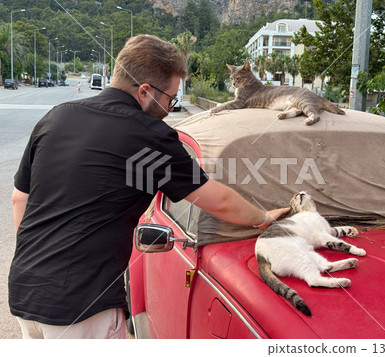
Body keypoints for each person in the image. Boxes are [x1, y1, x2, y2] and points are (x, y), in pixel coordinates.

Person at [10, 34, 289, 339]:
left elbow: (19, 200)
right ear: (145, 91)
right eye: (169, 99)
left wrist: (39, 264)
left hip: (25, 292)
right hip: (81, 308)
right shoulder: (149, 135)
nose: (170, 109)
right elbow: (218, 201)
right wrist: (263, 218)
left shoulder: (57, 116)